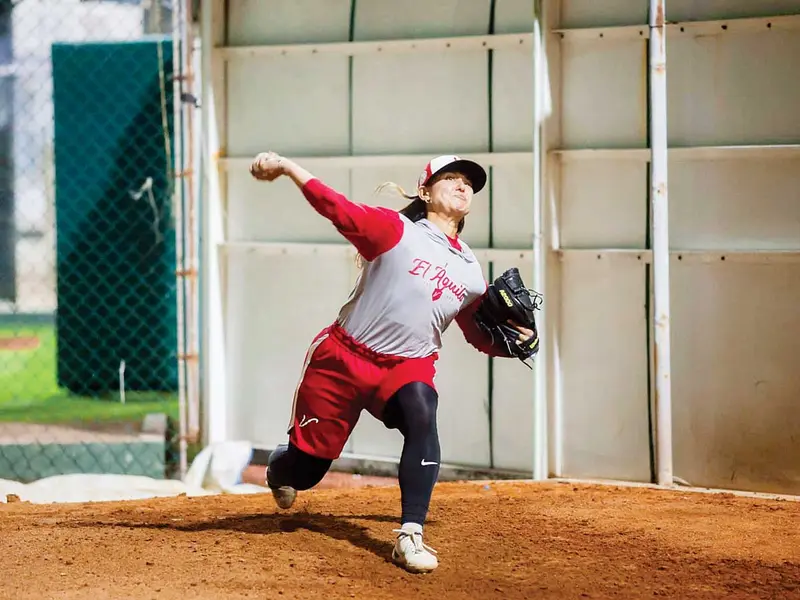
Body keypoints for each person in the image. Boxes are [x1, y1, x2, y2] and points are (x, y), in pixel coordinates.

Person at [249, 151, 536, 574]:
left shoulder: (472, 272)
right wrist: (289, 169)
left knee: (423, 410)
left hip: (407, 367)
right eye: (450, 178)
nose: (462, 186)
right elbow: (336, 207)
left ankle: (410, 534)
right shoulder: (395, 230)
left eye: (468, 183)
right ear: (424, 192)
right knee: (306, 471)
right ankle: (281, 468)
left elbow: (478, 335)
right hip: (342, 359)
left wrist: (516, 343)